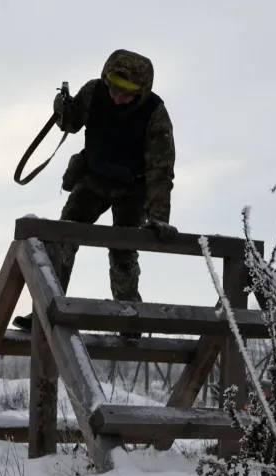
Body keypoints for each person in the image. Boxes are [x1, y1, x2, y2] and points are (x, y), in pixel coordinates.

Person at [12, 49, 178, 337]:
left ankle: (128, 318)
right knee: (63, 237)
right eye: (113, 88)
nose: (116, 97)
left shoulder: (155, 114)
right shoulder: (94, 92)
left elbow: (160, 171)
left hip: (132, 189)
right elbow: (71, 123)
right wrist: (62, 107)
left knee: (123, 249)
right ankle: (47, 305)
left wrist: (159, 217)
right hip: (93, 180)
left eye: (125, 93)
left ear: (141, 91)